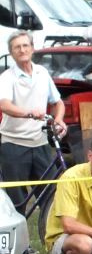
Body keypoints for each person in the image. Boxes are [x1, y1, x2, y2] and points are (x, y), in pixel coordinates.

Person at [0, 31, 67, 217]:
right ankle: (21, 245)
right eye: (17, 47)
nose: (22, 50)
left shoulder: (42, 73)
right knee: (17, 202)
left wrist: (59, 119)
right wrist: (28, 113)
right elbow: (4, 105)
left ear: (32, 48)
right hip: (14, 145)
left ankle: (53, 242)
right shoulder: (7, 77)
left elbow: (57, 102)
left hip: (40, 143)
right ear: (11, 53)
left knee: (51, 197)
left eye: (25, 45)